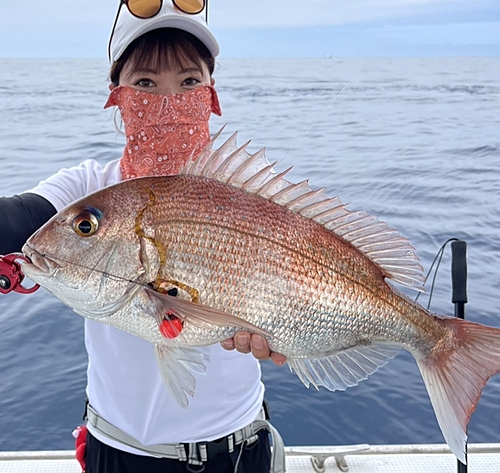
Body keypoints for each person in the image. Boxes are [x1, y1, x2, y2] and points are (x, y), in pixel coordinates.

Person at [0, 2, 286, 472]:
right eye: (146, 83)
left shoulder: (248, 196)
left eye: (189, 82)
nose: (169, 101)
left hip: (239, 449)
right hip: (119, 451)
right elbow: (18, 218)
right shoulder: (90, 190)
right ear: (118, 96)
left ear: (211, 96)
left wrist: (289, 331)